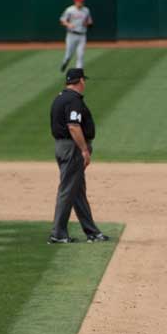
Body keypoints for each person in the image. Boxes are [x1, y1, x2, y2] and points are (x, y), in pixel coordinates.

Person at [48, 68, 108, 244]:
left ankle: (92, 232)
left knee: (77, 191)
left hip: (62, 147)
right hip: (72, 148)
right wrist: (83, 149)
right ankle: (58, 233)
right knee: (68, 190)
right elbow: (73, 126)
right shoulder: (74, 100)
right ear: (80, 81)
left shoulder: (60, 98)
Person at [59, 0, 93, 72]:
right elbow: (62, 20)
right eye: (80, 1)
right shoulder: (70, 10)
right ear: (75, 1)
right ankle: (65, 62)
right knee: (68, 55)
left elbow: (90, 22)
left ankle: (79, 74)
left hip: (82, 36)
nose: (81, 2)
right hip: (71, 35)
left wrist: (88, 24)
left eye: (82, 1)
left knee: (80, 56)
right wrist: (68, 24)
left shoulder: (86, 10)